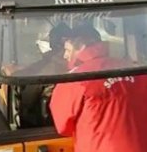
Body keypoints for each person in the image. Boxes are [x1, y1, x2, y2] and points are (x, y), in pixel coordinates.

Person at [50, 23, 147, 152]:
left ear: (81, 47)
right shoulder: (137, 71)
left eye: (67, 50)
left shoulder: (74, 80)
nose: (65, 56)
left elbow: (62, 127)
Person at [3, 22, 71, 76]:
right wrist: (17, 68)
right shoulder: (53, 57)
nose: (50, 40)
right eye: (50, 37)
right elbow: (34, 67)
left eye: (52, 37)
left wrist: (13, 74)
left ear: (63, 39)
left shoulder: (57, 60)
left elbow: (36, 74)